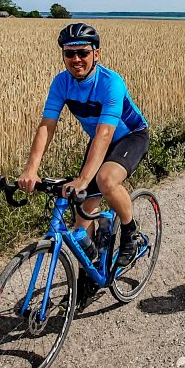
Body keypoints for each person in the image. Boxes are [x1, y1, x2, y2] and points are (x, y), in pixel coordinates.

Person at [18, 22, 149, 268]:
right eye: (70, 53)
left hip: (131, 136)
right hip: (101, 141)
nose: (76, 59)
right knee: (82, 219)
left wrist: (83, 180)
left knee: (106, 180)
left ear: (96, 54)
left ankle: (131, 231)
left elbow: (105, 133)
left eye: (83, 53)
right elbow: (47, 125)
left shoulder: (111, 83)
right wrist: (31, 169)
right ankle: (90, 272)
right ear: (63, 56)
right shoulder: (61, 83)